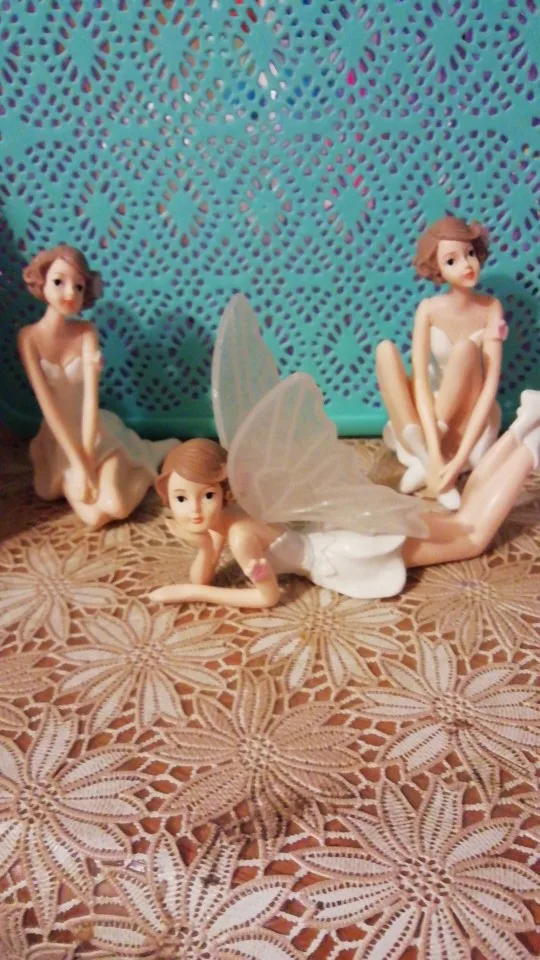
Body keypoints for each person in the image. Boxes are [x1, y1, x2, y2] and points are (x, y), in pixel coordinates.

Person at [148, 392, 540, 608]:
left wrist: (190, 593)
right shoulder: (226, 517)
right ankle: (521, 429)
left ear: (223, 491)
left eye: (207, 495)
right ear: (166, 495)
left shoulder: (238, 536)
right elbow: (203, 571)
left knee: (471, 538)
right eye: (182, 498)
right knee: (461, 523)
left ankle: (528, 449)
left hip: (344, 550)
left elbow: (266, 597)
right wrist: (203, 548)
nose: (194, 510)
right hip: (334, 522)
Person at [19, 244, 176, 528]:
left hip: (94, 430)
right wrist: (79, 465)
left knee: (116, 505)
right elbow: (49, 408)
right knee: (92, 515)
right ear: (42, 282)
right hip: (59, 437)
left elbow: (91, 399)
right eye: (59, 282)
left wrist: (88, 459)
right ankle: (141, 458)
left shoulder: (85, 332)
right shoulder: (29, 338)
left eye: (79, 287)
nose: (70, 293)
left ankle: (147, 465)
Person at [376, 217, 506, 509]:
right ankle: (427, 457)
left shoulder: (490, 308)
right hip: (431, 413)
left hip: (468, 411)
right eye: (451, 261)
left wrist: (459, 460)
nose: (466, 265)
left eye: (470, 254)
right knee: (385, 350)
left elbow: (489, 386)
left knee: (465, 350)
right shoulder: (429, 309)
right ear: (437, 268)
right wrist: (434, 450)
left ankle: (438, 460)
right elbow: (420, 379)